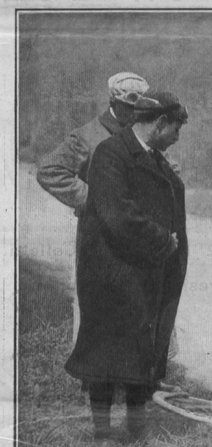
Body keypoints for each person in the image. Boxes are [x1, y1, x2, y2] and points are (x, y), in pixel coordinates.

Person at [64, 90, 189, 447]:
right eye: (175, 129)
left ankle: (136, 430)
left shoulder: (155, 158)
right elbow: (118, 214)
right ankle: (102, 434)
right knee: (103, 356)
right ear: (160, 123)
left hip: (144, 273)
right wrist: (162, 240)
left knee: (142, 352)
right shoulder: (111, 154)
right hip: (111, 275)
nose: (177, 138)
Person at [36, 72, 150, 339]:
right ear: (114, 101)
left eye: (140, 109)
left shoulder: (142, 134)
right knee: (98, 304)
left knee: (140, 301)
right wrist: (93, 198)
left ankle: (139, 377)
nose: (134, 113)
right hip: (100, 236)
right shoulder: (87, 135)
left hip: (139, 231)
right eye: (129, 107)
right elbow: (49, 170)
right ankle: (93, 376)